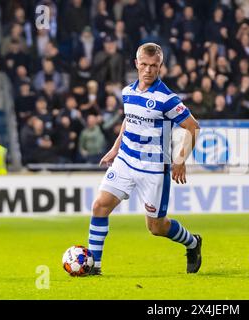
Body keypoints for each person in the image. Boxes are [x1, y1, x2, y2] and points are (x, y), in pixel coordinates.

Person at [87, 43, 202, 275]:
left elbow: (193, 127)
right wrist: (115, 148)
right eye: (144, 65)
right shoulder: (128, 92)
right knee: (99, 206)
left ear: (160, 67)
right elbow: (129, 121)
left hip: (153, 168)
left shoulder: (167, 98)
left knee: (156, 227)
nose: (148, 70)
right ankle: (93, 267)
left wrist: (180, 160)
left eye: (154, 66)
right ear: (136, 64)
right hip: (126, 160)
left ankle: (192, 243)